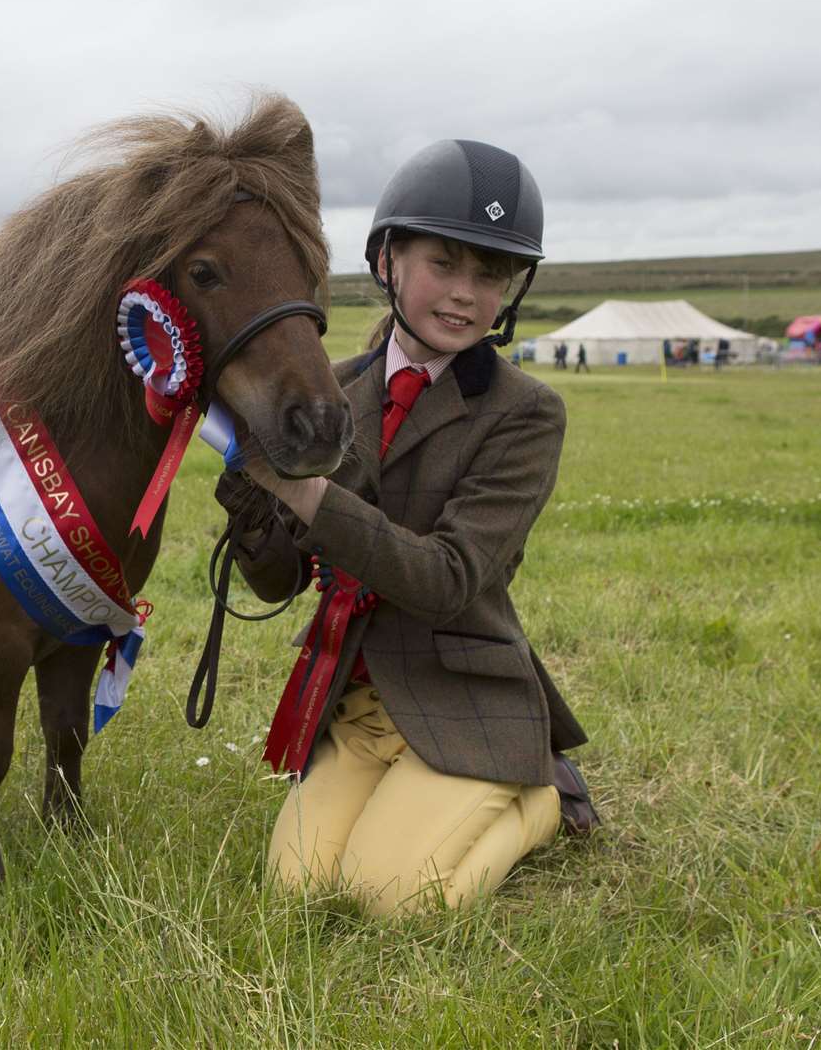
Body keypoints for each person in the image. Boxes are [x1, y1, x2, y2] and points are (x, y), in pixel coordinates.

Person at [214, 139, 595, 918]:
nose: (464, 295)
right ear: (387, 261)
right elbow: (281, 582)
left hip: (465, 699)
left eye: (489, 275)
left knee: (390, 899)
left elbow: (450, 579)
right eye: (444, 264)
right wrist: (252, 502)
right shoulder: (335, 390)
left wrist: (309, 492)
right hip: (357, 704)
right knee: (294, 890)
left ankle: (538, 798)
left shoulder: (526, 414)